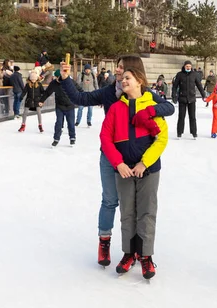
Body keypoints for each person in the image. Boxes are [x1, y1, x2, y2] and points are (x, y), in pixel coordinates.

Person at [59, 55, 174, 267]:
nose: (118, 71)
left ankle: (140, 249)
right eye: (117, 68)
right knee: (111, 200)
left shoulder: (146, 93)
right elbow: (81, 99)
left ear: (135, 73)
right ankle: (105, 241)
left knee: (137, 206)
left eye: (122, 68)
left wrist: (148, 111)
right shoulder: (109, 92)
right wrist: (66, 79)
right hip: (112, 155)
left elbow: (168, 108)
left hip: (139, 158)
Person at [100, 68, 168, 279]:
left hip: (147, 170)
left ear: (139, 81)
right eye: (122, 78)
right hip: (124, 171)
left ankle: (145, 256)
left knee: (147, 212)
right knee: (127, 213)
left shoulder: (151, 107)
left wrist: (144, 163)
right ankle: (129, 253)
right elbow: (105, 138)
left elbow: (161, 138)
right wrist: (118, 163)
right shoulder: (116, 108)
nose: (123, 81)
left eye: (127, 78)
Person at [41, 70, 79, 147]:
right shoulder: (54, 83)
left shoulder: (70, 82)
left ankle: (72, 138)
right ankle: (56, 139)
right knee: (58, 123)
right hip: (59, 106)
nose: (56, 78)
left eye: (57, 77)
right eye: (55, 77)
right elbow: (47, 92)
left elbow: (79, 90)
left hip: (70, 106)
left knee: (71, 123)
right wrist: (42, 100)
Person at [172, 60, 206, 139]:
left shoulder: (194, 75)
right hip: (182, 98)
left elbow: (199, 86)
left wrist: (203, 95)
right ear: (184, 66)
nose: (188, 68)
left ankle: (194, 133)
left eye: (190, 66)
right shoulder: (179, 75)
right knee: (181, 116)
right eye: (187, 66)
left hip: (192, 99)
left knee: (192, 117)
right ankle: (179, 132)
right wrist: (174, 96)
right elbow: (175, 87)